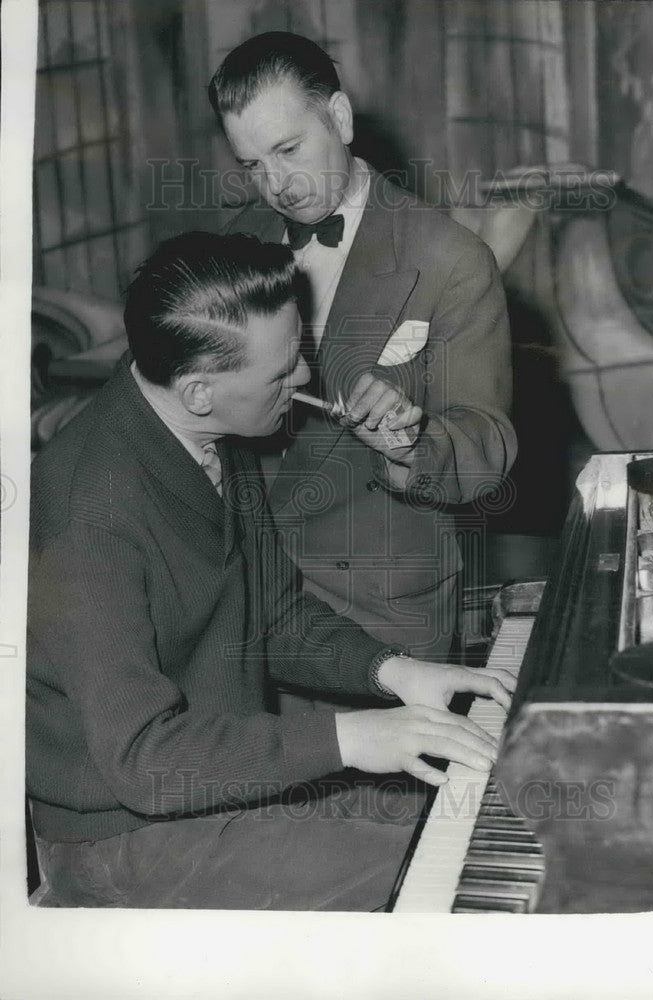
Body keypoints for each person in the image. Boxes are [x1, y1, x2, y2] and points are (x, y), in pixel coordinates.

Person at [26, 232, 515, 911]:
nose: (306, 380)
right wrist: (351, 736)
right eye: (283, 370)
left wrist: (395, 673)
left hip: (211, 795)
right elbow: (144, 760)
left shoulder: (206, 430)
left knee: (468, 821)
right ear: (200, 391)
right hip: (123, 842)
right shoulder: (89, 514)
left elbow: (274, 614)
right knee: (456, 872)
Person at [209, 32, 516, 661]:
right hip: (246, 598)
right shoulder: (236, 244)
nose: (276, 184)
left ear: (341, 119)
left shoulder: (450, 258)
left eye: (289, 149)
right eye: (252, 164)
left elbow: (485, 449)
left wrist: (412, 441)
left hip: (380, 611)